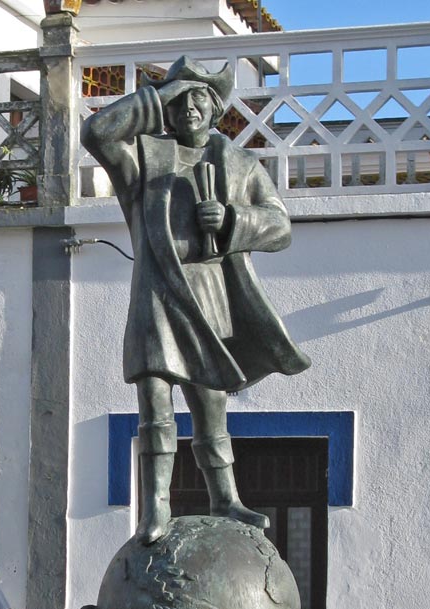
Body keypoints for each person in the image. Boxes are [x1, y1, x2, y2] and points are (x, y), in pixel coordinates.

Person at [81, 56, 311, 544]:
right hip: (158, 294)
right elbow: (97, 133)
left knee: (211, 408)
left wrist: (232, 221)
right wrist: (164, 93)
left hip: (209, 294)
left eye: (200, 97)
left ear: (216, 107)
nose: (189, 106)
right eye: (181, 98)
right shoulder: (144, 162)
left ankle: (225, 497)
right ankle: (156, 508)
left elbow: (280, 227)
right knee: (154, 403)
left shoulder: (241, 165)